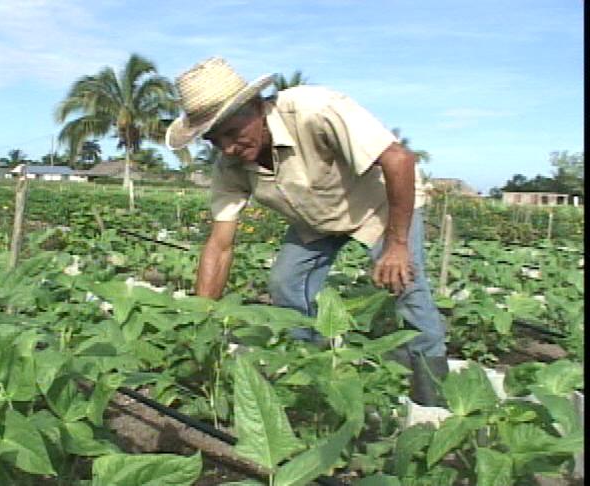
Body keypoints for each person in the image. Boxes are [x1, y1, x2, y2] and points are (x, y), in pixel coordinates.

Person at [165, 57, 449, 406]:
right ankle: (311, 369)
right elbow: (220, 245)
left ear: (257, 106)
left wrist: (398, 244)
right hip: (315, 222)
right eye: (214, 140)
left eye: (232, 132)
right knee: (286, 283)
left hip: (378, 208)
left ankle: (433, 402)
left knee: (408, 290)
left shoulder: (314, 109)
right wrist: (200, 320)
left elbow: (399, 160)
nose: (227, 148)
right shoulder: (231, 165)